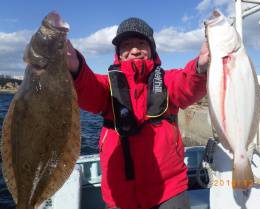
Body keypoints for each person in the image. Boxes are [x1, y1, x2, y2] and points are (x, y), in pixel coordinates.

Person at [67, 17, 209, 209]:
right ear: (119, 53)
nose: (134, 50)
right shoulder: (106, 85)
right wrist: (75, 68)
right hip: (120, 195)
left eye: (141, 43)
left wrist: (200, 67)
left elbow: (188, 84)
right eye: (126, 45)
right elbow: (87, 88)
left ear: (152, 49)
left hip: (169, 190)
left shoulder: (167, 80)